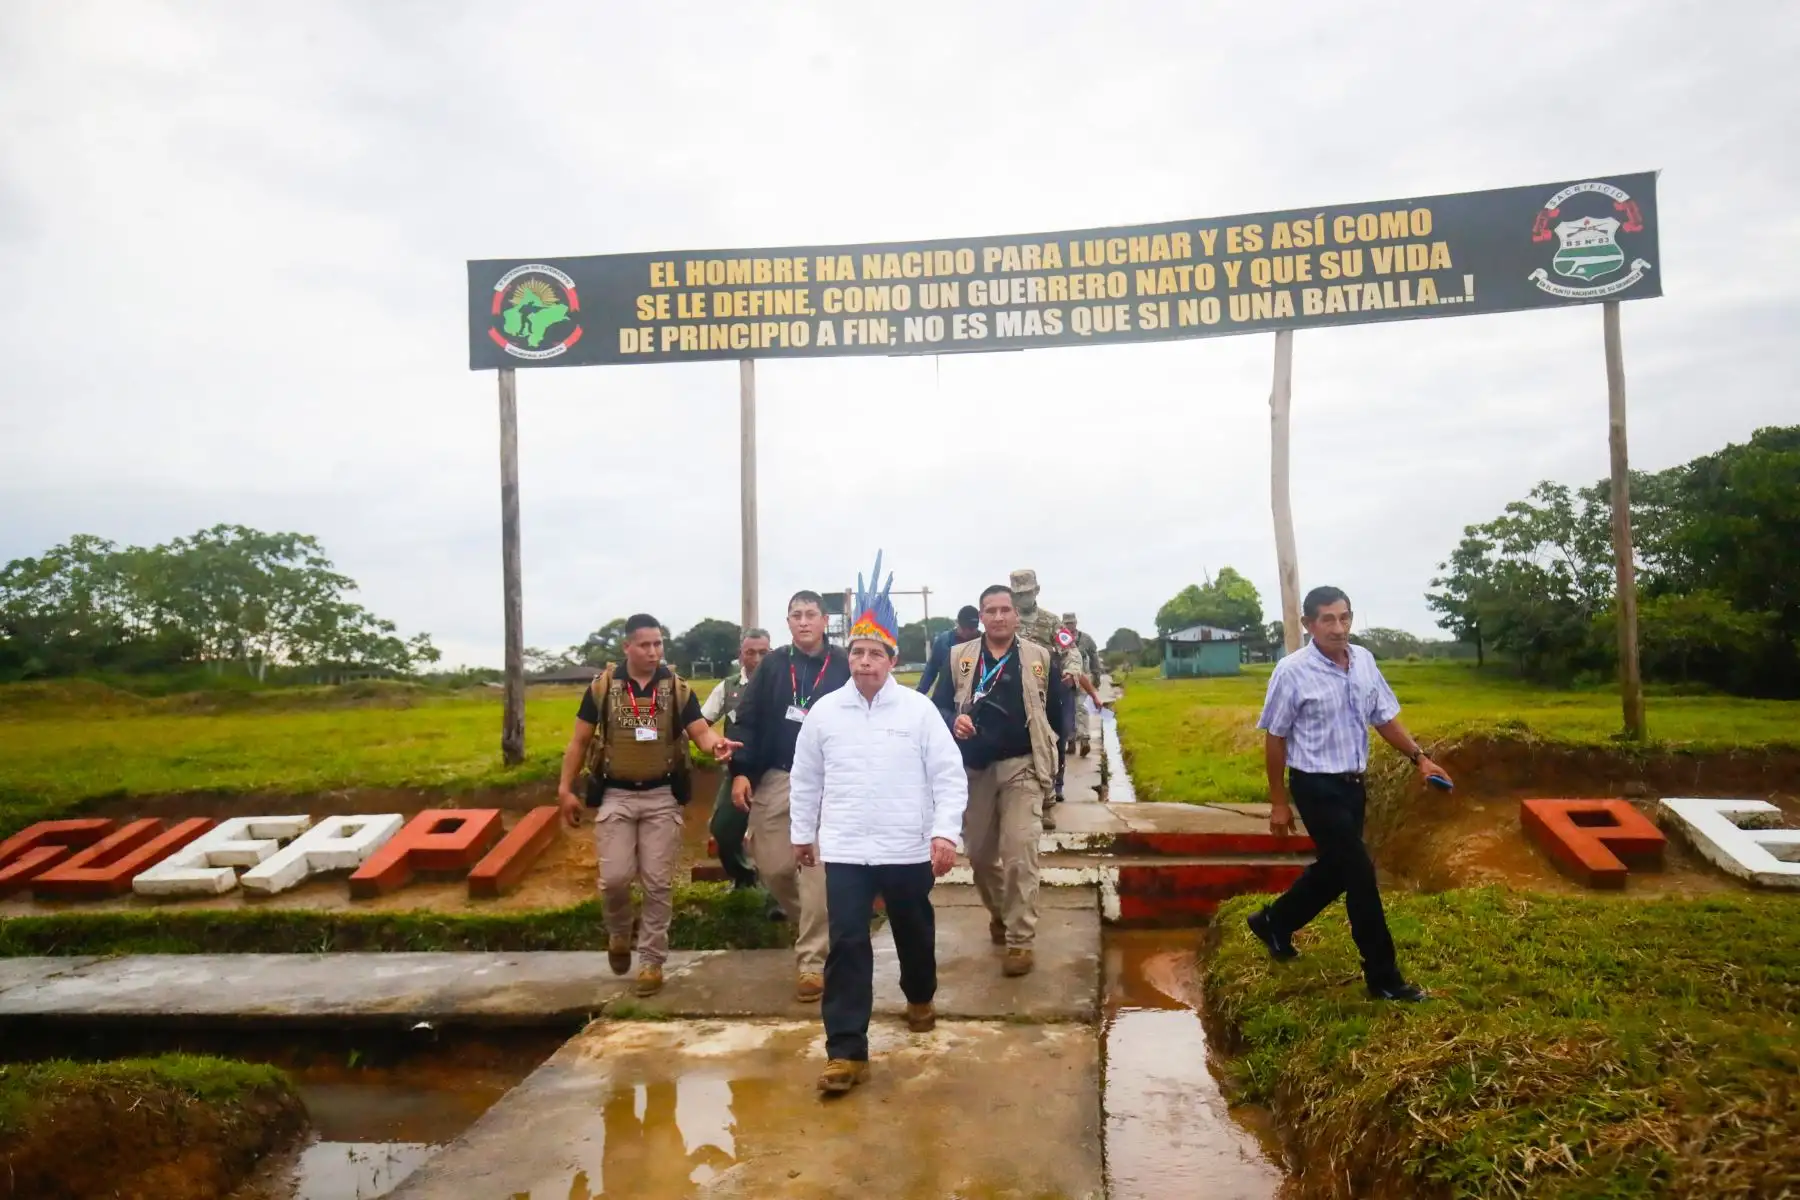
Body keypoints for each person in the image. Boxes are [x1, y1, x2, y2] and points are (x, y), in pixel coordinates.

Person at [790, 553, 967, 1095]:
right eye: (859, 652)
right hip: (845, 850)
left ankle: (919, 993)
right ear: (850, 657)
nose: (866, 662)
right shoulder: (824, 714)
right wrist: (803, 833)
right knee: (847, 944)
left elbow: (948, 776)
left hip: (906, 848)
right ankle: (846, 1051)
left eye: (876, 654)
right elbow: (805, 779)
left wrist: (944, 832)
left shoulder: (918, 712)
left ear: (893, 659)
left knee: (914, 932)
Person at [1248, 586, 1451, 1003]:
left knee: (1337, 869)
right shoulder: (1292, 671)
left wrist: (1421, 759)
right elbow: (1276, 737)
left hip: (1353, 786)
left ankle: (1274, 921)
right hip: (1314, 785)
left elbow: (1384, 718)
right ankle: (1384, 977)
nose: (1338, 628)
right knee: (1360, 876)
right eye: (1327, 619)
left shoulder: (1364, 662)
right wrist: (1279, 802)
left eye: (1344, 618)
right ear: (1308, 625)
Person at [557, 614, 740, 998]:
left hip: (661, 797)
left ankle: (652, 961)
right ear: (627, 647)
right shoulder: (603, 687)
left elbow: (700, 732)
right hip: (616, 796)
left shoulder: (676, 687)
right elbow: (578, 742)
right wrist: (565, 789)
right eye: (645, 645)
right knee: (615, 880)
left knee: (658, 883)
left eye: (658, 644)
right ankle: (620, 932)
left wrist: (716, 746)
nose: (654, 651)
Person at [933, 583, 1068, 978]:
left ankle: (1020, 940)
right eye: (990, 610)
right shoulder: (959, 658)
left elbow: (1056, 716)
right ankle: (1001, 913)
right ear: (981, 616)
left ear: (1015, 614)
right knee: (978, 855)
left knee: (1020, 852)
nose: (998, 617)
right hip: (973, 771)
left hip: (1022, 767)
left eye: (1005, 609)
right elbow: (939, 703)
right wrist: (950, 719)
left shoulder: (1039, 657)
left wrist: (1052, 775)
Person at [729, 590, 851, 1002]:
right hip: (778, 776)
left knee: (812, 867)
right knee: (775, 868)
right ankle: (822, 928)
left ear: (824, 621)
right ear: (787, 621)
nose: (803, 622)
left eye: (811, 615)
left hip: (828, 780)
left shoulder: (844, 665)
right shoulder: (773, 666)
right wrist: (742, 773)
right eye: (796, 615)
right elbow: (746, 720)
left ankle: (812, 962)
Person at [700, 628, 771, 892]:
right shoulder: (727, 688)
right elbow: (701, 724)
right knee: (723, 829)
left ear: (771, 653)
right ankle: (743, 876)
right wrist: (716, 742)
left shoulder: (785, 685)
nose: (756, 658)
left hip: (776, 769)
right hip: (739, 770)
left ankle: (776, 894)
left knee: (775, 834)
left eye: (763, 652)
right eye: (750, 652)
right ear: (740, 656)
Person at [1010, 568, 1079, 820]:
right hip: (1015, 690)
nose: (1022, 599)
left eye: (1027, 593)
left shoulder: (1050, 622)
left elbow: (1070, 649)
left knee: (1054, 739)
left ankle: (1053, 790)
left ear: (1036, 591)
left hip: (1048, 688)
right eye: (1018, 594)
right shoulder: (1006, 620)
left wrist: (1071, 670)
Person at [1062, 613, 1103, 757]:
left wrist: (1096, 677)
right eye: (1066, 623)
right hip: (1066, 680)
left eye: (1071, 623)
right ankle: (1070, 741)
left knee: (1082, 708)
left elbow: (1094, 659)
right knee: (1067, 712)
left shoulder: (1087, 640)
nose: (1069, 626)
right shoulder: (1060, 639)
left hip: (1083, 679)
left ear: (1076, 623)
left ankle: (1084, 740)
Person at [917, 605, 981, 694]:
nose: (967, 632)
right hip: (945, 699)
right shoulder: (943, 641)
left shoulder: (984, 643)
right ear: (957, 623)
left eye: (971, 629)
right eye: (963, 628)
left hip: (973, 699)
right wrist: (919, 694)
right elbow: (931, 670)